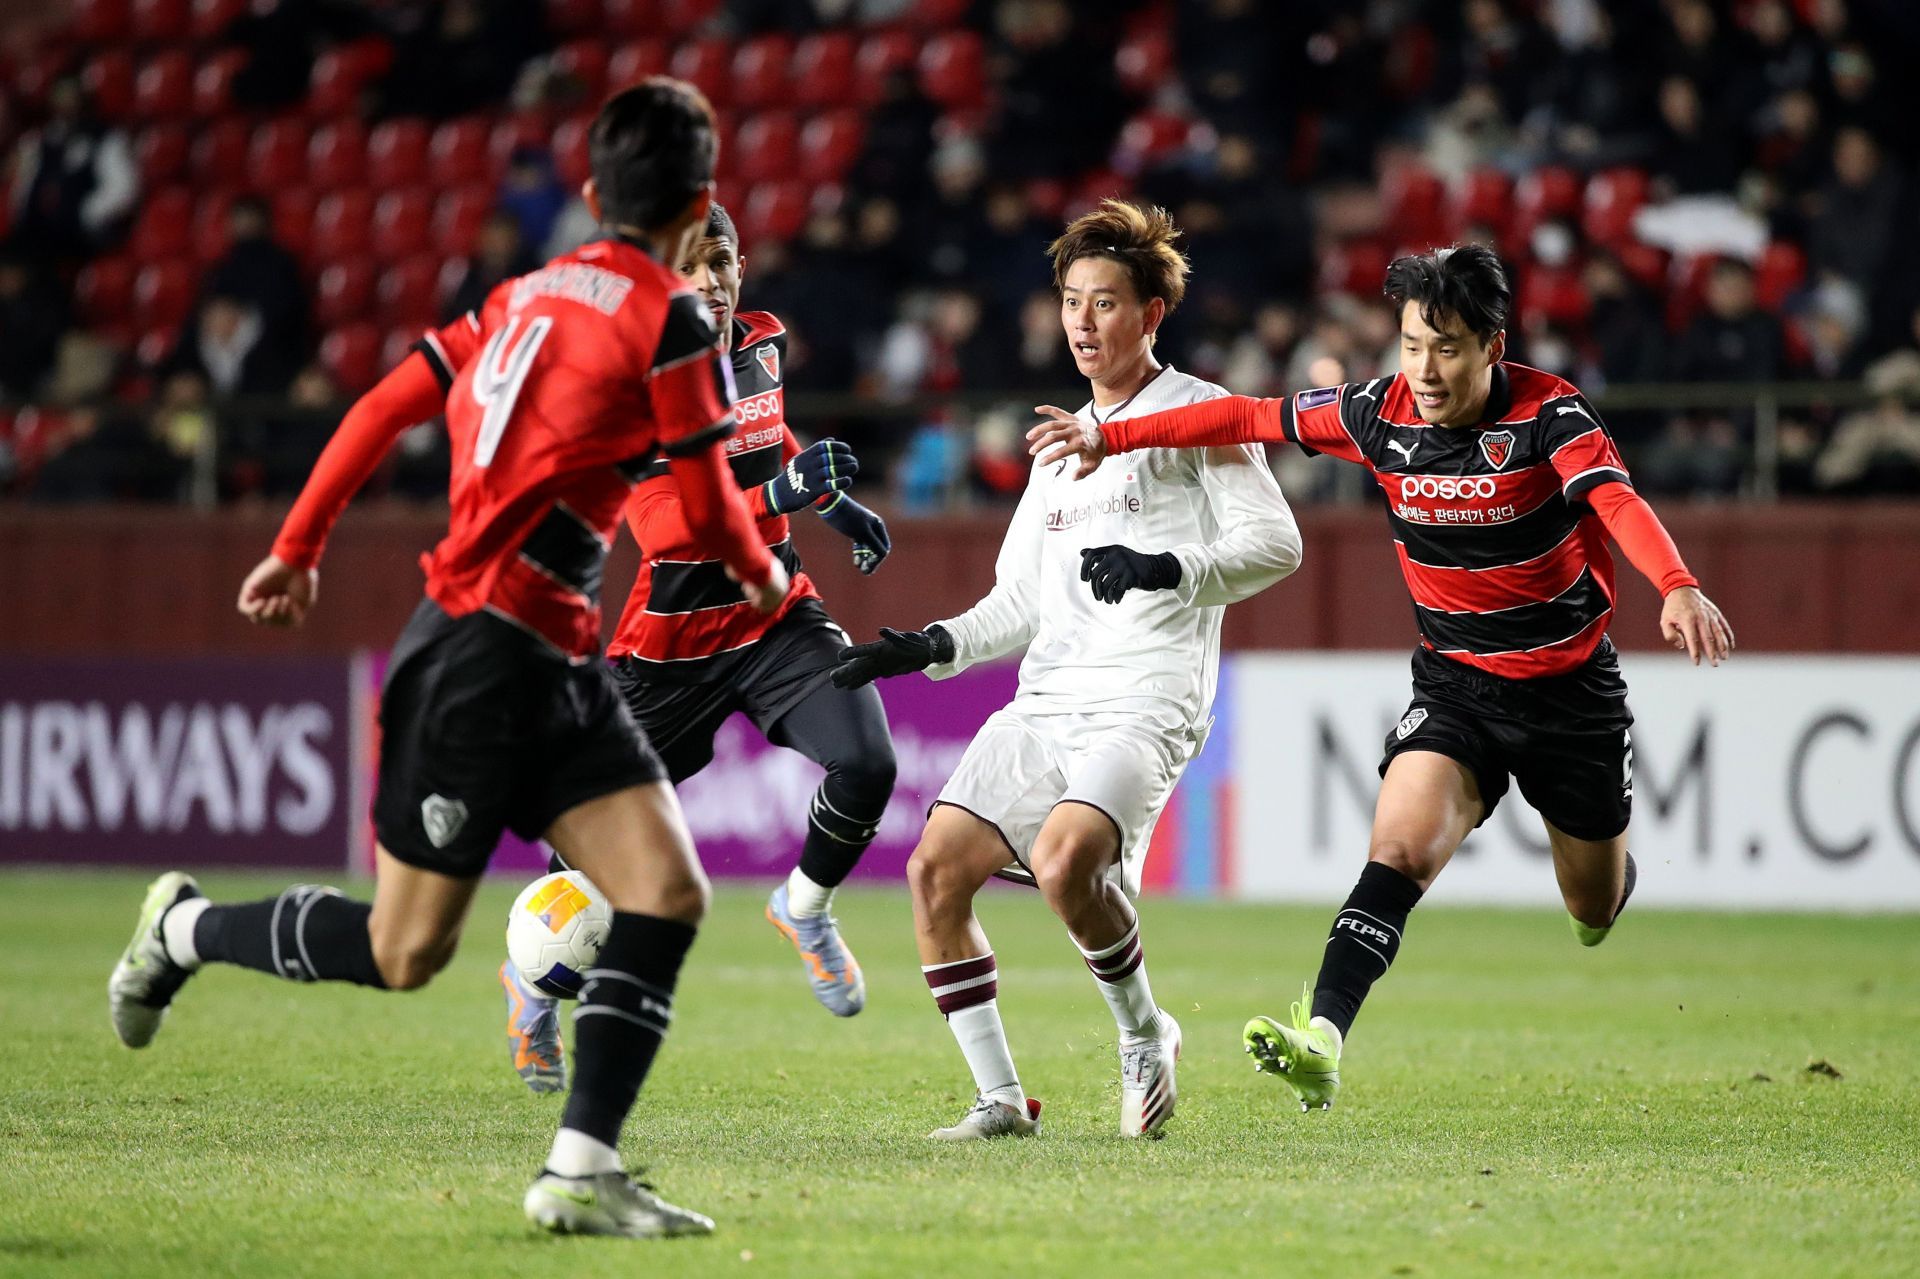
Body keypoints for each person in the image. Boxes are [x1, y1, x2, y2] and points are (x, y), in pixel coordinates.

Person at [107, 78, 787, 1240]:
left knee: (665, 891)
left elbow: (381, 406)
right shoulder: (673, 317)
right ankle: (180, 927)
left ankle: (580, 1169)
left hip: (555, 660)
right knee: (403, 949)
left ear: (589, 194)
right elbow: (716, 505)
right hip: (478, 655)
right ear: (701, 204)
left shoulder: (514, 298)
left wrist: (296, 545)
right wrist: (766, 576)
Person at [1029, 244, 1735, 1114]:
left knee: (1589, 908)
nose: (1425, 371)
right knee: (1397, 852)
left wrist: (1678, 585)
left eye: (1445, 347)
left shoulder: (1553, 417)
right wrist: (1111, 432)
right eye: (1410, 345)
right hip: (1458, 690)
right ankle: (1322, 1039)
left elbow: (1618, 502)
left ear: (1492, 346)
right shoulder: (1377, 413)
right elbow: (1242, 418)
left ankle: (1609, 881)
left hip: (1571, 695)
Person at [834, 200, 1302, 1140]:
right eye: (1071, 303)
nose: (1083, 324)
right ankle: (1001, 1099)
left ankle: (1144, 1035)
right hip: (1048, 700)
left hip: (1148, 696)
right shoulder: (1057, 445)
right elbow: (1019, 603)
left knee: (1064, 861)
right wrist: (929, 645)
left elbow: (1278, 542)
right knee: (933, 872)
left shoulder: (1197, 414)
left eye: (1105, 304)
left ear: (1151, 314)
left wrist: (1173, 567)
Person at [500, 201, 898, 1092]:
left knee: (868, 763)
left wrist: (827, 503)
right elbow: (665, 531)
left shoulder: (758, 341)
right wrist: (785, 496)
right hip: (668, 651)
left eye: (721, 259)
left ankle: (803, 908)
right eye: (692, 264)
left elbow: (764, 437)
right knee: (585, 866)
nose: (712, 279)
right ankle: (530, 988)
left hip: (774, 617)